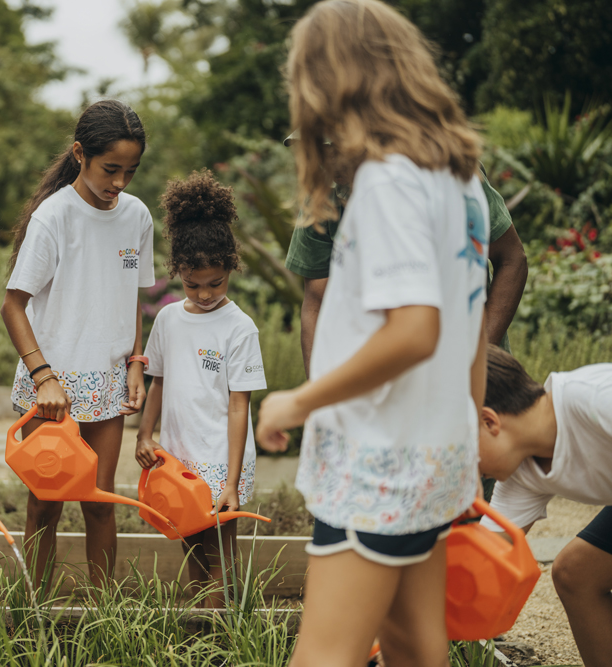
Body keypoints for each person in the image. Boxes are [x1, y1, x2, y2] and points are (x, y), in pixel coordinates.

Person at [255, 1, 489, 665]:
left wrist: (299, 401)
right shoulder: (459, 182)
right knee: (416, 645)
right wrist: (464, 446)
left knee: (324, 654)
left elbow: (416, 330)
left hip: (378, 462)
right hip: (434, 453)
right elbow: (466, 334)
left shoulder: (388, 182)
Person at [1, 99, 154, 589]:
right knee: (45, 501)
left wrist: (135, 360)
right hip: (53, 387)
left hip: (108, 382)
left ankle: (104, 619)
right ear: (79, 154)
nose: (120, 183)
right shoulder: (54, 217)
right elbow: (12, 305)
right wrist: (44, 377)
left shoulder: (137, 217)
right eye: (111, 169)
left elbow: (131, 295)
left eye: (130, 171)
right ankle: (31, 613)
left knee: (100, 500)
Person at [134, 170, 267, 607]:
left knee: (221, 549)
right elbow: (158, 381)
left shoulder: (240, 328)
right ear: (177, 272)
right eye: (193, 284)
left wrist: (230, 481)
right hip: (178, 454)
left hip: (219, 459)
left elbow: (238, 407)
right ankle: (199, 624)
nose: (205, 293)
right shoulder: (170, 320)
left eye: (216, 283)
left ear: (231, 267)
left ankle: (223, 634)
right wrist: (144, 434)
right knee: (190, 539)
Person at [284, 147, 527, 378]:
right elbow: (317, 303)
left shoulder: (450, 177)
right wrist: (319, 397)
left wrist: (479, 359)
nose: (323, 159)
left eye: (332, 147)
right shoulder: (323, 197)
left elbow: (511, 259)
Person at [478, 345, 612, 667]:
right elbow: (482, 559)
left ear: (489, 422)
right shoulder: (522, 474)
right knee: (576, 573)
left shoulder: (594, 399)